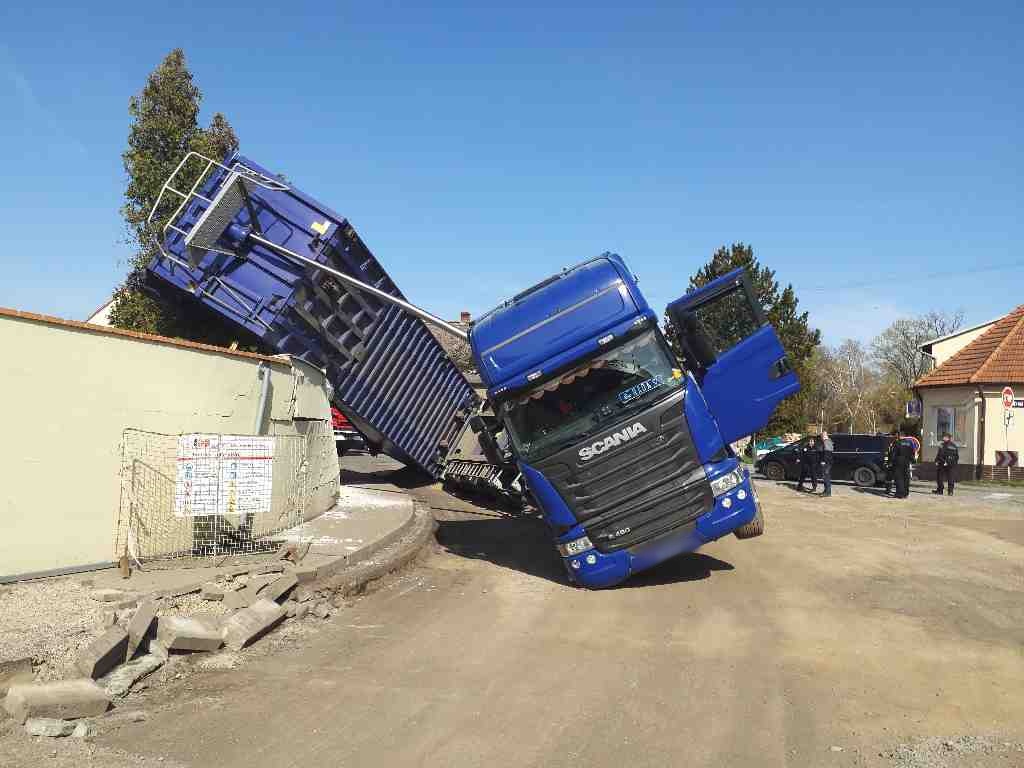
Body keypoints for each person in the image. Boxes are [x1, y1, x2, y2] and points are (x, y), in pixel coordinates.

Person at [893, 433, 914, 499]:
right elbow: (912, 453)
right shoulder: (909, 443)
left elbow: (894, 454)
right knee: (906, 478)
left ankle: (900, 494)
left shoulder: (897, 443)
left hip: (899, 462)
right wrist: (912, 460)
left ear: (900, 436)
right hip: (907, 462)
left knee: (899, 478)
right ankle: (906, 493)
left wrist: (892, 462)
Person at [884, 429, 900, 496]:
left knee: (897, 478)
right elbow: (887, 453)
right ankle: (888, 489)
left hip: (896, 464)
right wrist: (886, 462)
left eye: (896, 435)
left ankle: (898, 491)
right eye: (894, 435)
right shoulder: (890, 443)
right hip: (890, 463)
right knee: (888, 478)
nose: (895, 436)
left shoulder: (899, 443)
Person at [820, 430, 834, 497]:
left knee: (826, 477)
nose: (821, 437)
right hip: (828, 462)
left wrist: (823, 461)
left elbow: (827, 453)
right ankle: (826, 491)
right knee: (826, 477)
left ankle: (828, 492)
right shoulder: (829, 441)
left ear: (824, 436)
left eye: (822, 436)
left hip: (827, 463)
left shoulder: (826, 442)